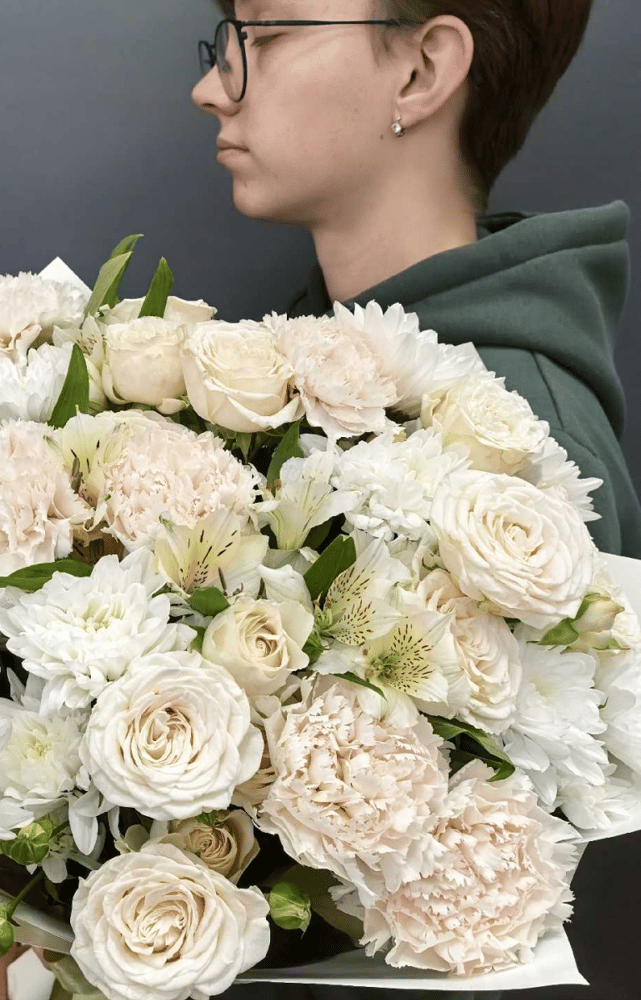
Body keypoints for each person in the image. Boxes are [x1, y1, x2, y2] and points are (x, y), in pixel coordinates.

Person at [188, 0, 640, 998]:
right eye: (225, 42)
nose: (212, 87)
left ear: (422, 71)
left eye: (264, 38)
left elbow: (496, 904)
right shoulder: (280, 366)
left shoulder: (522, 443)